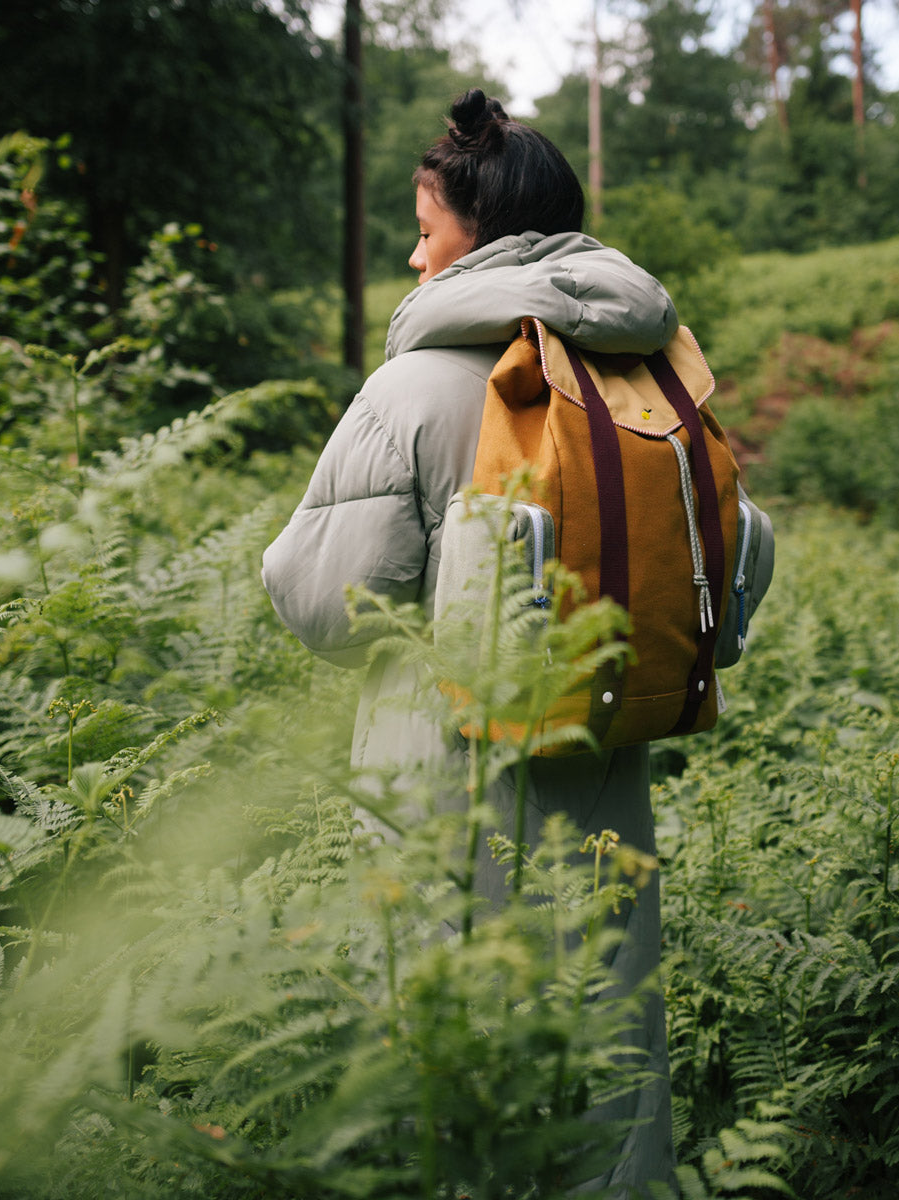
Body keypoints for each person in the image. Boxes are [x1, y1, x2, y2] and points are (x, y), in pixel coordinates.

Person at [261, 88, 679, 1192]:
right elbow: (729, 557)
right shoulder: (641, 375)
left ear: (481, 241)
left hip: (441, 779)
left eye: (427, 230)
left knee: (444, 1062)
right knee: (601, 1040)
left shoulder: (412, 386)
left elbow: (321, 599)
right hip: (602, 775)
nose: (412, 255)